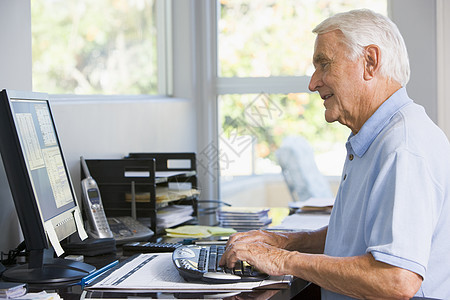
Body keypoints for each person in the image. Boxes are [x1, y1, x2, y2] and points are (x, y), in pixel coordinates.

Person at [219, 9, 450, 299]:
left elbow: (395, 279)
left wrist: (281, 260)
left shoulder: (404, 146)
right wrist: (284, 242)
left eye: (324, 64)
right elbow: (356, 238)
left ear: (370, 62)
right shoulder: (377, 137)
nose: (313, 83)